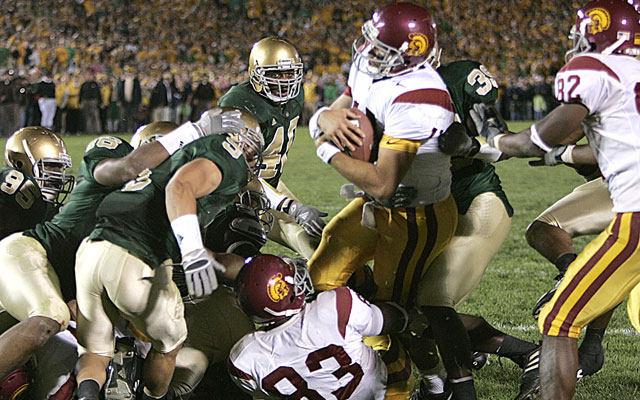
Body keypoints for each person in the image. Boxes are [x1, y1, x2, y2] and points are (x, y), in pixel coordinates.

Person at [308, 3, 481, 398]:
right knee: (322, 272)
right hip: (379, 206)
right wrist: (322, 116)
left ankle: (418, 382)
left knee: (390, 311)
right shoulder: (375, 66)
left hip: (417, 217)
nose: (369, 53)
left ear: (412, 52)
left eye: (382, 48)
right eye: (370, 43)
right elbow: (345, 107)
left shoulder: (421, 96)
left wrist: (325, 150)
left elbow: (384, 183)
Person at [469, 1, 640, 398]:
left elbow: (542, 137)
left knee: (559, 319)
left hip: (636, 216)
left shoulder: (595, 70)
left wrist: (494, 142)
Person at [0, 110, 248, 383]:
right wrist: (194, 131)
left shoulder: (163, 214)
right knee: (49, 320)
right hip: (31, 258)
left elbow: (217, 263)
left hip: (68, 287)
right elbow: (128, 168)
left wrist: (255, 267)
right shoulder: (116, 162)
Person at [73, 109, 264, 400]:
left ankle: (89, 393)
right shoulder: (217, 158)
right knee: (171, 343)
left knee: (94, 352)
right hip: (136, 261)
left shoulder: (142, 169)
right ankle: (151, 396)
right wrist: (193, 251)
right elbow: (180, 186)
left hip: (91, 253)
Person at [228, 254, 410, 399]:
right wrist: (409, 316)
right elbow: (388, 320)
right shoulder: (332, 306)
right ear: (283, 293)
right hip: (375, 393)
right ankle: (433, 386)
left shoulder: (243, 358)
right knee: (390, 341)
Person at [218, 36, 326, 259]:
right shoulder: (240, 102)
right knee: (239, 251)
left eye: (289, 74)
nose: (284, 82)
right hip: (236, 192)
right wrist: (291, 207)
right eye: (275, 74)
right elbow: (239, 173)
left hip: (270, 183)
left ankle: (324, 281)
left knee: (312, 240)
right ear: (256, 72)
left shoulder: (296, 95)